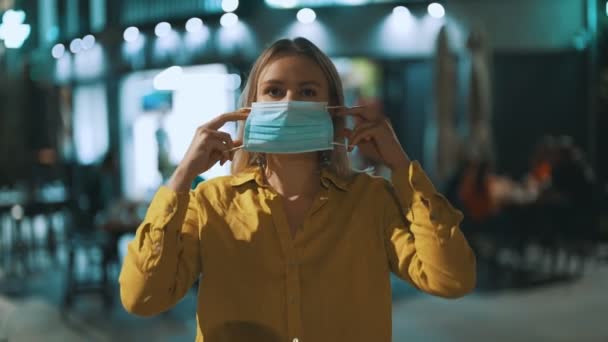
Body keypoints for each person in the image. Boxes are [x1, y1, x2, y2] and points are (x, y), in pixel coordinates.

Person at [119, 37, 476, 342]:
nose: (289, 103)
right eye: (274, 91)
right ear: (250, 109)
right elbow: (141, 298)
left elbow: (451, 278)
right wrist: (182, 176)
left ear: (331, 109)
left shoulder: (370, 200)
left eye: (307, 92)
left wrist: (401, 165)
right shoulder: (211, 202)